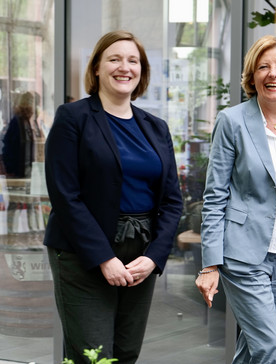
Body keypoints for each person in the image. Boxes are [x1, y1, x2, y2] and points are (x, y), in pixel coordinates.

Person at [44, 30, 183, 363]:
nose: (125, 67)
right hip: (83, 254)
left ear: (142, 71)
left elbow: (173, 200)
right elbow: (65, 195)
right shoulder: (72, 118)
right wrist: (104, 258)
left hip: (140, 256)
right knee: (93, 355)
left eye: (133, 60)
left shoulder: (156, 127)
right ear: (96, 68)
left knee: (125, 353)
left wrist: (153, 258)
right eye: (115, 59)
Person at [195, 35, 276, 364]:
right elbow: (215, 197)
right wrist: (210, 263)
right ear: (252, 75)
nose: (273, 74)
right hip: (242, 253)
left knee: (253, 347)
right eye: (263, 66)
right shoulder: (232, 121)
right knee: (271, 346)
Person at [2, 91, 44, 178]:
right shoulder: (16, 122)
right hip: (17, 171)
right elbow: (8, 146)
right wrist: (10, 169)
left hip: (26, 170)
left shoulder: (26, 122)